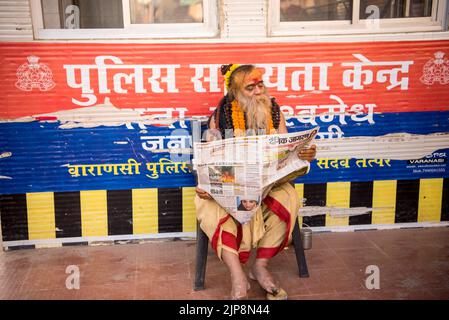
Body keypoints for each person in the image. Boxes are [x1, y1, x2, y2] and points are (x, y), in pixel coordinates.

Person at [194, 64, 317, 300]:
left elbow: (285, 153)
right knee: (209, 207)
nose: (258, 91)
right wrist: (209, 186)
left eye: (260, 85)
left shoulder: (274, 111)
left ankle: (260, 266)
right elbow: (210, 162)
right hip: (232, 186)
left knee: (289, 197)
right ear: (235, 92)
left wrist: (302, 155)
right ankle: (237, 275)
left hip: (269, 185)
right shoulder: (221, 116)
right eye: (250, 87)